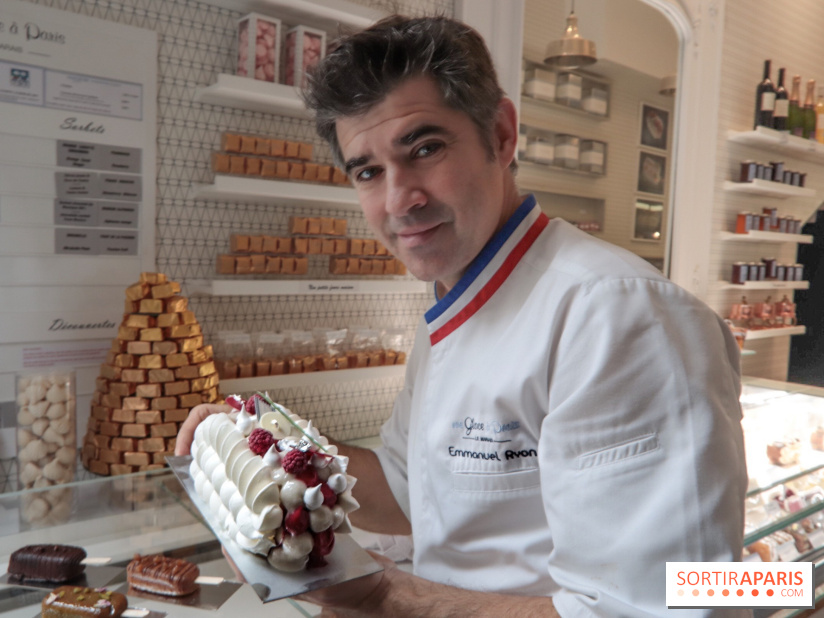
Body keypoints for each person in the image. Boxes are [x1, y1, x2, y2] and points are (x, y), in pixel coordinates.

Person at [177, 15, 748, 617]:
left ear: (502, 136)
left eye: (425, 148)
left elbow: (657, 608)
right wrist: (268, 449)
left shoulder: (622, 316)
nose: (399, 199)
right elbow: (407, 488)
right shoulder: (454, 307)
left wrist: (380, 594)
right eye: (368, 171)